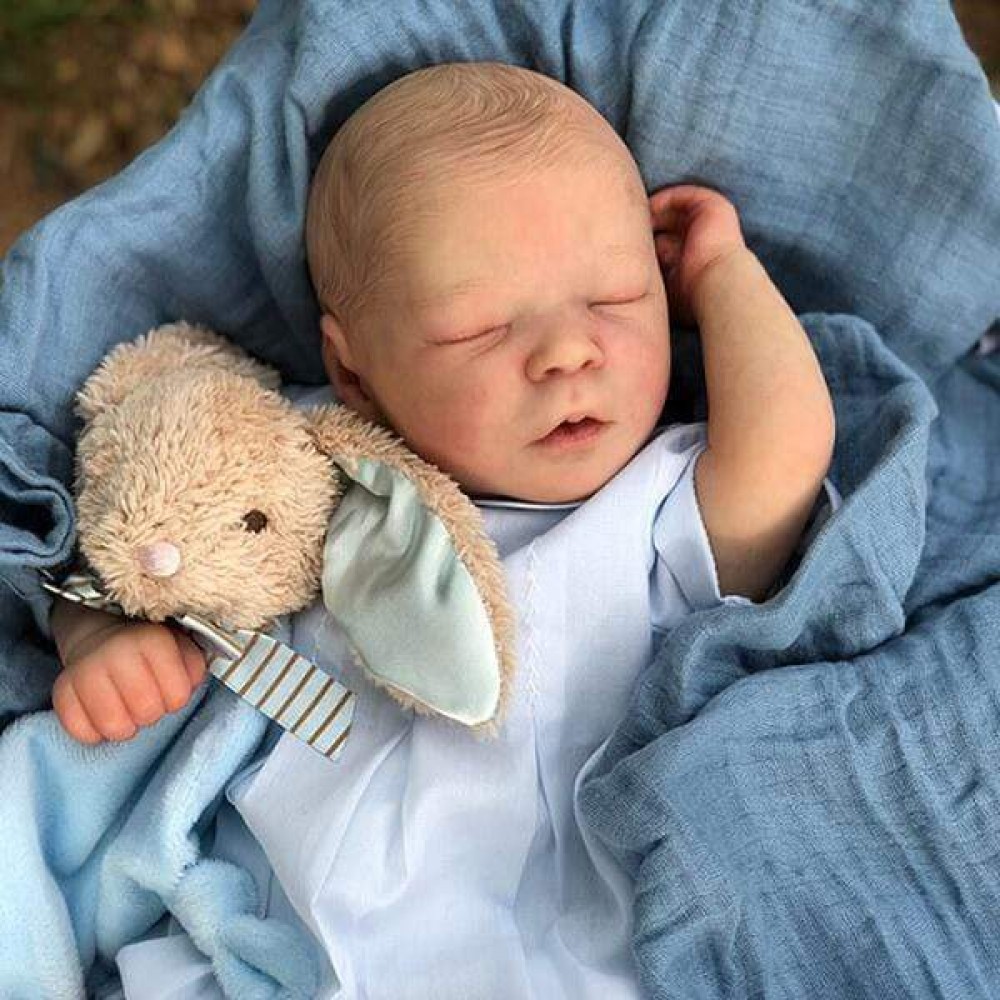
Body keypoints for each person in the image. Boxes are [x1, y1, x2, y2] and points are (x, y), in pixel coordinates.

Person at [50, 62, 835, 997]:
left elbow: (789, 452)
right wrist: (101, 640)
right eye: (479, 329)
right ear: (354, 372)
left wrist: (721, 275)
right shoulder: (307, 476)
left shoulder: (657, 503)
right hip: (303, 941)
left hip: (591, 946)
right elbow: (151, 561)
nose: (567, 351)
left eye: (616, 299)